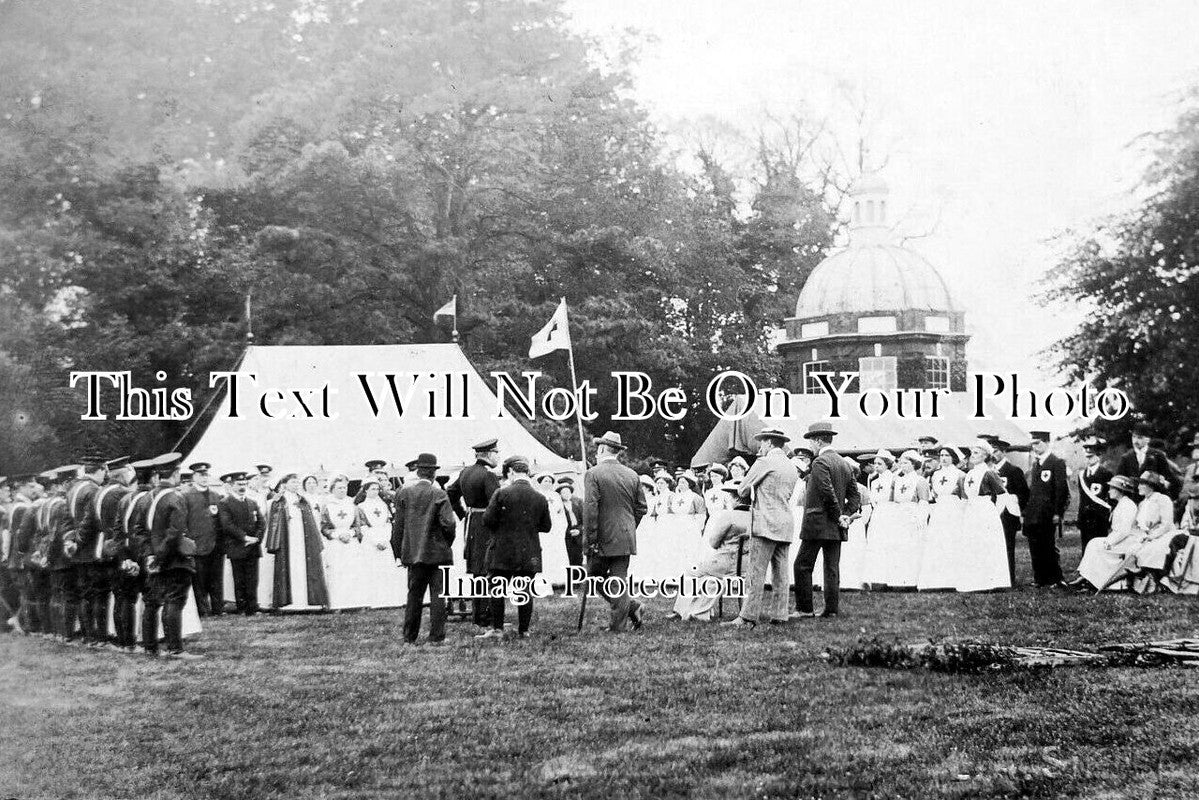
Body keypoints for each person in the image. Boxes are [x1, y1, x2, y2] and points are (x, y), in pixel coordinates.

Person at [723, 427, 799, 629]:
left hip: (765, 523)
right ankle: (780, 615)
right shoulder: (791, 466)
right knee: (781, 573)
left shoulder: (764, 462)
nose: (759, 446)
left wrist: (751, 489)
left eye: (761, 442)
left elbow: (742, 489)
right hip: (785, 523)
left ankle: (748, 617)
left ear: (769, 443)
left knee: (756, 572)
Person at [476, 456, 552, 639]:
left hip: (502, 550)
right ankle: (524, 630)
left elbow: (487, 520)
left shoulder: (501, 493)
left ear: (511, 472)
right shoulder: (540, 497)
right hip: (529, 551)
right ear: (528, 473)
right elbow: (546, 527)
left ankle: (497, 628)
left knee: (497, 589)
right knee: (524, 591)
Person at [791, 422, 860, 619]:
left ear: (818, 440)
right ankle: (831, 610)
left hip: (818, 522)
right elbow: (855, 496)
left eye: (811, 442)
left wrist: (839, 515)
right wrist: (845, 515)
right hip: (836, 526)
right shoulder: (844, 463)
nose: (810, 446)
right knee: (831, 568)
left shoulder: (820, 462)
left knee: (802, 565)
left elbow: (826, 491)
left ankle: (804, 609)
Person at [582, 431, 648, 633]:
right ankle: (631, 608)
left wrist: (590, 540)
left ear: (602, 449)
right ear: (617, 452)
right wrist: (628, 526)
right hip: (625, 536)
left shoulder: (593, 473)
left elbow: (590, 509)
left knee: (595, 577)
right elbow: (641, 508)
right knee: (618, 579)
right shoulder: (632, 474)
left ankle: (620, 624)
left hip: (602, 537)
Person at [391, 453, 457, 644]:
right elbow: (449, 524)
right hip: (438, 552)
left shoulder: (404, 493)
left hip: (413, 553)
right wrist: (446, 543)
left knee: (414, 595)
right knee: (438, 595)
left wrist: (399, 552)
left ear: (418, 472)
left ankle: (409, 636)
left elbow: (398, 527)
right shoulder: (439, 494)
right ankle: (436, 637)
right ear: (433, 475)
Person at [144, 454, 202, 660]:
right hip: (174, 558)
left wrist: (152, 554)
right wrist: (160, 555)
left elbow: (143, 529)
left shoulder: (148, 497)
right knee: (175, 601)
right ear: (176, 474)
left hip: (156, 556)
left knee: (158, 601)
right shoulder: (175, 497)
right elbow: (175, 531)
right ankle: (175, 648)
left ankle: (152, 646)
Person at [670, 479, 749, 621]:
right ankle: (699, 612)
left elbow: (713, 542)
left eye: (730, 496)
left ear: (737, 498)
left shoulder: (728, 516)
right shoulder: (756, 517)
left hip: (724, 564)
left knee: (690, 572)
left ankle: (682, 611)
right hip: (746, 567)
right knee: (709, 579)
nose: (728, 499)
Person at [446, 438, 502, 628]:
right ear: (488, 455)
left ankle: (479, 616)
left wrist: (463, 514)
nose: (498, 457)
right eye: (496, 453)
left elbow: (450, 493)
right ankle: (489, 616)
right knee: (490, 570)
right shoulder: (488, 476)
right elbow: (496, 503)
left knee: (478, 570)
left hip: (471, 523)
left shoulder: (465, 472)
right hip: (487, 524)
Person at [63, 450, 109, 646]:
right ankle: (98, 636)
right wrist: (79, 541)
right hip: (91, 550)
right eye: (104, 471)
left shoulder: (73, 489)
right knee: (97, 594)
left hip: (76, 551)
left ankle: (88, 635)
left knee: (85, 593)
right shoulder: (93, 490)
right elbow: (89, 522)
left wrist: (69, 541)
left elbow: (66, 519)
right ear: (98, 470)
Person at [265, 473, 329, 611]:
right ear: (285, 484)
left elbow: (310, 520)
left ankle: (308, 601)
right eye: (293, 482)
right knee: (289, 565)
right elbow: (274, 519)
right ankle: (288, 602)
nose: (296, 485)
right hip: (287, 538)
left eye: (297, 482)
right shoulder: (280, 500)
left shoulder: (302, 500)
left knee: (305, 565)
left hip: (303, 538)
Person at [109, 460, 153, 651]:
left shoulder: (125, 499)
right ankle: (148, 642)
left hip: (127, 553)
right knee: (149, 599)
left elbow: (118, 532)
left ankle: (127, 642)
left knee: (126, 599)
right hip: (144, 553)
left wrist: (124, 557)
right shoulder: (150, 500)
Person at [955, 441, 1011, 592]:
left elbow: (1003, 495)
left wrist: (995, 513)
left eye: (976, 453)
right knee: (972, 544)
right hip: (971, 511)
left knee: (985, 545)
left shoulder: (989, 473)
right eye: (972, 453)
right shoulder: (969, 474)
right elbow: (965, 497)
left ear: (985, 455)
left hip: (985, 511)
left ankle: (989, 581)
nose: (972, 456)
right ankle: (973, 581)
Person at [1070, 475, 1142, 591]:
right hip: (1120, 539)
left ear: (1120, 491)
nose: (1109, 491)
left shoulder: (1128, 506)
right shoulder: (1122, 503)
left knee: (1096, 546)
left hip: (1127, 542)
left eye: (1112, 488)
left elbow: (1124, 531)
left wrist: (1110, 542)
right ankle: (1087, 577)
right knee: (1093, 543)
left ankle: (1092, 580)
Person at [1022, 430, 1070, 587]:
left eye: (1038, 443)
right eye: (1033, 444)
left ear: (1047, 443)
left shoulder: (1056, 462)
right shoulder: (1036, 464)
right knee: (1035, 546)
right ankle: (1039, 578)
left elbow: (1061, 490)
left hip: (1048, 513)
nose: (1035, 447)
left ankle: (1055, 578)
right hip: (1033, 513)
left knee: (1048, 546)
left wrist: (1058, 512)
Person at [919, 447, 966, 591]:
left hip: (954, 509)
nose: (944, 458)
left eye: (947, 455)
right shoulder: (935, 475)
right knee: (938, 542)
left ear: (953, 457)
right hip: (939, 510)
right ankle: (937, 580)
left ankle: (954, 580)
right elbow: (935, 494)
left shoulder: (960, 474)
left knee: (952, 542)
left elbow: (964, 496)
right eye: (941, 455)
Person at [219, 471, 265, 616]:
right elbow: (227, 525)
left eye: (244, 484)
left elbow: (262, 523)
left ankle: (252, 607)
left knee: (252, 579)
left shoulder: (252, 502)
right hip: (237, 547)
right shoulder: (225, 503)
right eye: (239, 484)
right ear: (232, 485)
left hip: (252, 547)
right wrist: (245, 538)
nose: (242, 487)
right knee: (239, 579)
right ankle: (242, 607)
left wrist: (256, 538)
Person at [181, 462, 224, 616]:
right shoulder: (187, 496)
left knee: (216, 578)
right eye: (200, 475)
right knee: (199, 579)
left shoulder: (215, 495)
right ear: (194, 477)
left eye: (206, 475)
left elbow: (220, 519)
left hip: (215, 544)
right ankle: (203, 609)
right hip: (197, 543)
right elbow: (183, 520)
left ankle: (218, 608)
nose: (204, 478)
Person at [988, 439, 1029, 585]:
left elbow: (1024, 493)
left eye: (996, 451)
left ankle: (1008, 578)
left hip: (1006, 514)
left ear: (1004, 452)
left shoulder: (1013, 470)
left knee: (1007, 547)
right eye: (991, 451)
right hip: (991, 512)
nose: (993, 455)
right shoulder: (989, 471)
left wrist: (1011, 500)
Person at [1116, 423, 1180, 499]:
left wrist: (1164, 485)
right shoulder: (1126, 457)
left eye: (1140, 438)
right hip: (1132, 498)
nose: (1135, 441)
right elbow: (1119, 479)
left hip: (1153, 498)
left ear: (1147, 439)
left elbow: (1170, 478)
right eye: (1133, 437)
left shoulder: (1157, 455)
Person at [1076, 439, 1114, 555]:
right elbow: (1083, 498)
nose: (1089, 459)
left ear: (1099, 455)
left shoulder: (1106, 474)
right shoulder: (1082, 475)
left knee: (1099, 549)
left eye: (1091, 456)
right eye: (1087, 457)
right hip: (1085, 517)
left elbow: (1110, 498)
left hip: (1099, 518)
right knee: (1086, 548)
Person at [556, 478, 585, 570]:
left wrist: (579, 530)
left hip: (578, 537)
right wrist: (568, 532)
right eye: (564, 492)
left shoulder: (577, 504)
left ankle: (578, 580)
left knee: (578, 560)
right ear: (560, 495)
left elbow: (584, 520)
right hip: (566, 537)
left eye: (568, 492)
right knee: (568, 560)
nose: (566, 494)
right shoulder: (559, 506)